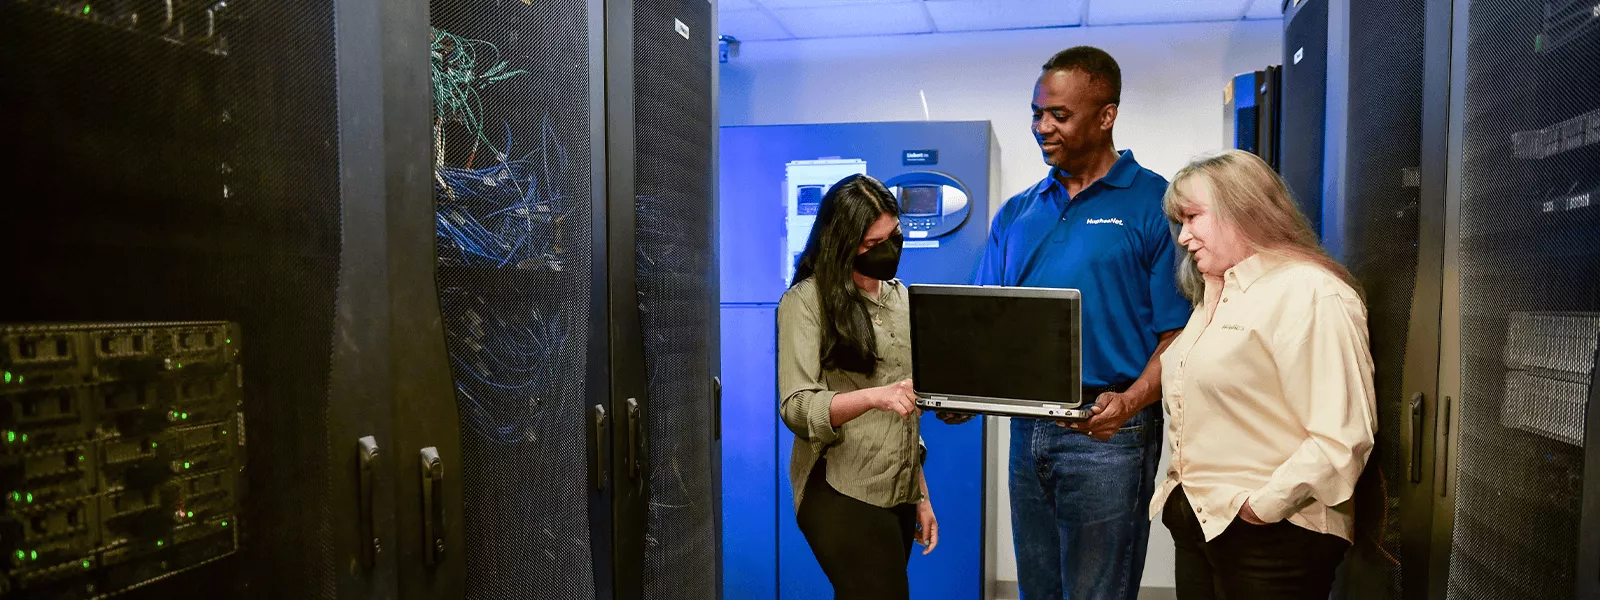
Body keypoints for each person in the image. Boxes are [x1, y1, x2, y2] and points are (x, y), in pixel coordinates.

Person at [952, 46, 1193, 599]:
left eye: (1059, 115)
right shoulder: (1018, 211)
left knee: (1096, 592)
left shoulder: (1153, 203)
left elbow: (1179, 334)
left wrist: (1130, 403)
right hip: (1026, 424)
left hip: (1109, 429)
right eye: (1037, 113)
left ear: (1106, 115)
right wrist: (962, 389)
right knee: (1040, 589)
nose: (1042, 127)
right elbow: (983, 317)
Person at [1154, 149, 1377, 599]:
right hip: (1201, 523)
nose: (1184, 236)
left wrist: (1261, 508)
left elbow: (1342, 436)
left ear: (1244, 210)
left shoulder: (1311, 292)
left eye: (1194, 217)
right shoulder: (1214, 295)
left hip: (1272, 536)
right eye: (1181, 222)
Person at [777, 174, 938, 600]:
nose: (888, 251)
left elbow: (906, 414)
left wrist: (920, 494)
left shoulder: (902, 299)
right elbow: (796, 407)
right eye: (872, 245)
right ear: (842, 243)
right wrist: (874, 397)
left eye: (894, 236)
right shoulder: (807, 301)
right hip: (838, 487)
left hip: (896, 491)